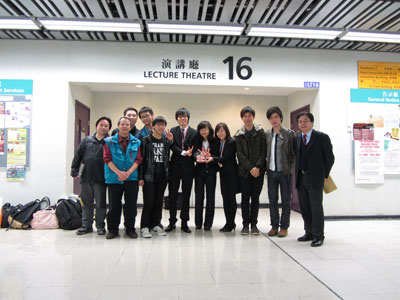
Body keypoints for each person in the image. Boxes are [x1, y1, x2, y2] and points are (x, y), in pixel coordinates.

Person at [295, 112, 334, 247]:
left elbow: (329, 158)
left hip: (315, 178)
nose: (303, 123)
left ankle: (318, 236)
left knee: (316, 207)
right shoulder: (298, 138)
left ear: (312, 122)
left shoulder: (321, 137)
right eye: (300, 121)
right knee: (305, 207)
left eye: (306, 121)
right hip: (301, 177)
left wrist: (323, 174)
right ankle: (309, 232)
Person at [71, 116, 112, 236]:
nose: (103, 127)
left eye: (106, 126)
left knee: (100, 204)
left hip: (101, 177)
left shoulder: (109, 141)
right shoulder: (86, 140)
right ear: (96, 126)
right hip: (86, 176)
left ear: (109, 128)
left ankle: (100, 226)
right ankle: (86, 226)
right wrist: (74, 170)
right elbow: (78, 156)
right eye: (101, 125)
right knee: (87, 203)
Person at [103, 116, 142, 239]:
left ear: (131, 127)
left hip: (131, 178)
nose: (125, 126)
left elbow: (138, 159)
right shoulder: (108, 141)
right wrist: (119, 173)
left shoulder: (137, 141)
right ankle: (113, 229)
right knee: (114, 205)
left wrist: (128, 172)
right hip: (114, 178)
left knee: (131, 205)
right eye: (123, 124)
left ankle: (130, 228)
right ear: (118, 126)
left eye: (127, 125)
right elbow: (107, 159)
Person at [138, 116, 173, 238]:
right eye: (158, 124)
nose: (161, 127)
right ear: (153, 126)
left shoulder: (166, 140)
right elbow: (141, 160)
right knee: (149, 202)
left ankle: (156, 224)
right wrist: (141, 177)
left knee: (159, 202)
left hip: (162, 176)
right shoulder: (146, 140)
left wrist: (170, 141)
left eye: (163, 125)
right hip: (149, 176)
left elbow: (167, 158)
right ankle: (144, 226)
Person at [234, 106, 266, 235]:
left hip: (258, 172)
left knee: (255, 199)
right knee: (245, 199)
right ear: (242, 118)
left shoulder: (260, 132)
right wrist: (251, 168)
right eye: (245, 116)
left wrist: (257, 167)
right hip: (244, 172)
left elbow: (264, 151)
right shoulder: (238, 135)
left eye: (250, 116)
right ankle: (245, 225)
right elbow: (239, 155)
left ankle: (254, 225)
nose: (247, 118)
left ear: (253, 117)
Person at [265, 106, 296, 238]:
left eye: (276, 117)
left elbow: (294, 154)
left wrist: (289, 168)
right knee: (272, 200)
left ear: (281, 118)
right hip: (271, 172)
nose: (274, 120)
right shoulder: (267, 134)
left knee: (285, 201)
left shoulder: (289, 133)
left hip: (284, 172)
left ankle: (284, 227)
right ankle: (274, 226)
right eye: (271, 118)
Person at [166, 108, 197, 233]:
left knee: (186, 195)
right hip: (174, 167)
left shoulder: (194, 132)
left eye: (184, 116)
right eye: (180, 117)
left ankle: (185, 222)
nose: (182, 118)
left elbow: (196, 149)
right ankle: (172, 221)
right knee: (172, 195)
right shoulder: (172, 131)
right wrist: (183, 152)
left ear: (188, 118)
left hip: (188, 167)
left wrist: (192, 154)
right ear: (177, 119)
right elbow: (171, 146)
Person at [213, 122, 240, 232]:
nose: (220, 133)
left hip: (232, 174)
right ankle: (228, 222)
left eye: (222, 131)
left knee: (231, 199)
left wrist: (212, 158)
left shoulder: (231, 142)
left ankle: (231, 223)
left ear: (226, 131)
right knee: (225, 199)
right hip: (223, 174)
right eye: (218, 131)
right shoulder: (220, 143)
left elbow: (225, 158)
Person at [193, 121, 219, 230]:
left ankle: (208, 224)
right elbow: (193, 152)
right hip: (199, 172)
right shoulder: (196, 139)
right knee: (199, 197)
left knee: (210, 198)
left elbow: (217, 155)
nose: (204, 131)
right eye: (201, 129)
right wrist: (197, 156)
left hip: (211, 172)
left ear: (210, 130)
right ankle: (198, 223)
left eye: (206, 129)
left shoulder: (215, 141)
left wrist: (210, 156)